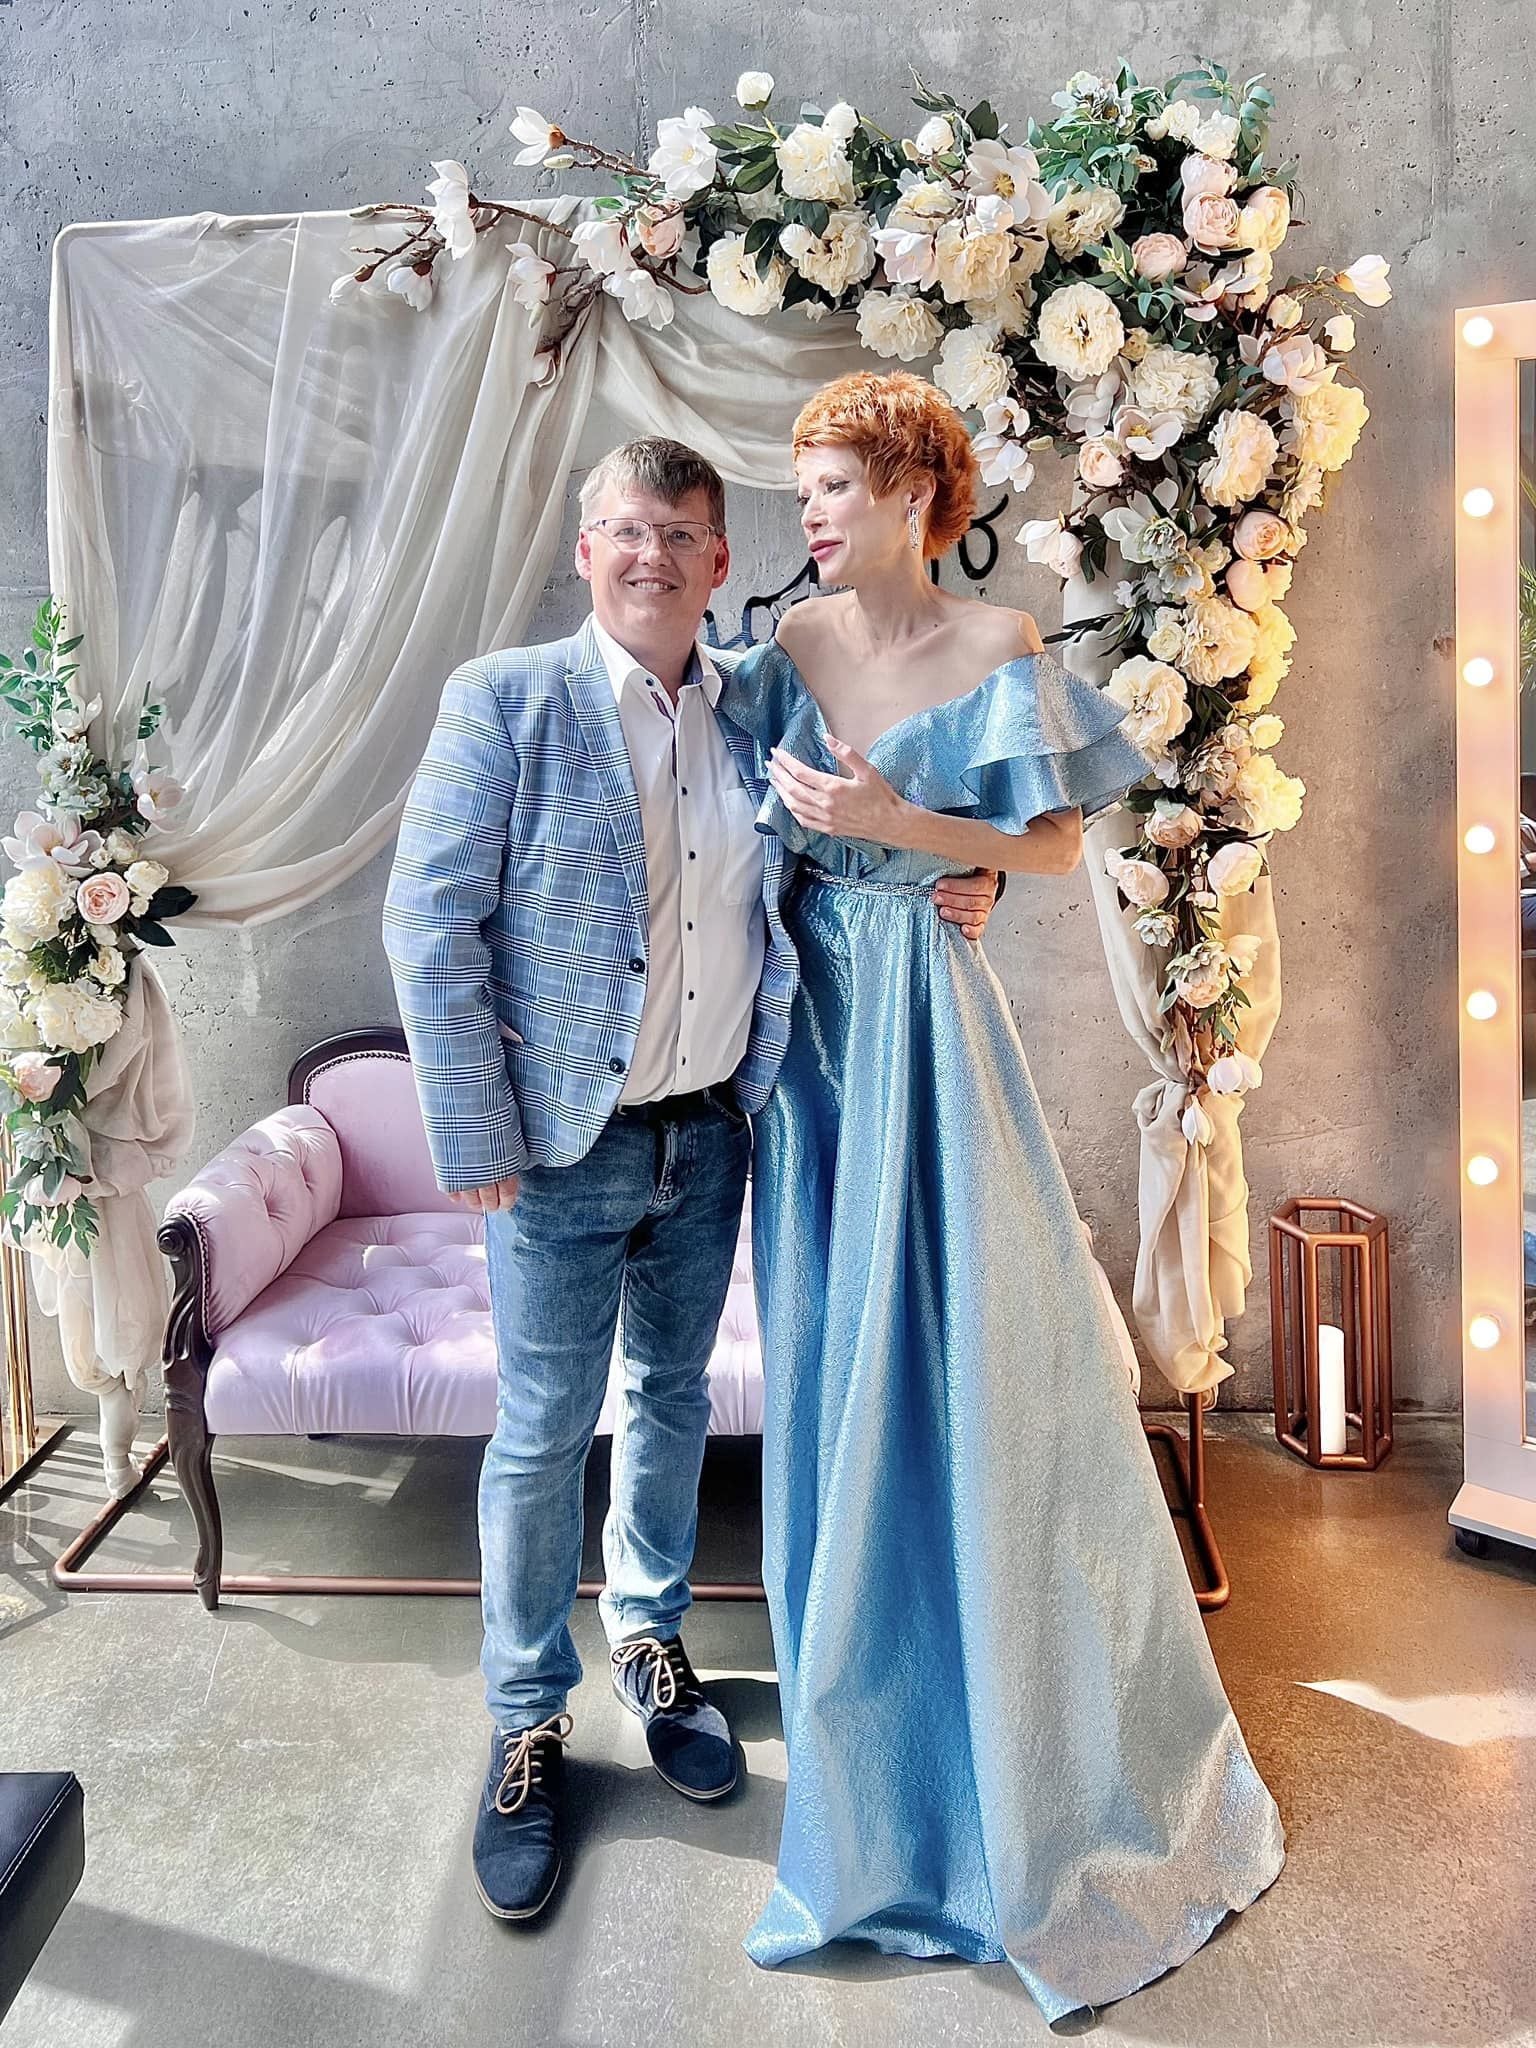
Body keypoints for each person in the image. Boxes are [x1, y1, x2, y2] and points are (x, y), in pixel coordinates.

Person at [716, 371, 1286, 2023]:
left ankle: (1034, 1750)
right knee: (839, 1364)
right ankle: (873, 1777)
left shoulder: (1002, 643)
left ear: (914, 490)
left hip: (930, 1015)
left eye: (834, 486)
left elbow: (1053, 848)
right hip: (811, 1038)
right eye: (805, 489)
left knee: (983, 1356)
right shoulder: (785, 649)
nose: (811, 514)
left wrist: (911, 826)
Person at [382, 436, 998, 1922]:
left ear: (722, 562)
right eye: (627, 530)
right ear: (586, 551)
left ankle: (652, 1641)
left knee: (669, 1402)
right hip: (560, 1150)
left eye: (681, 534)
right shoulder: (507, 699)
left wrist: (964, 872)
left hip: (713, 1128)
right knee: (542, 1432)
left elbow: (846, 853)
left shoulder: (756, 703)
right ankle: (526, 1719)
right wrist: (472, 1130)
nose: (651, 555)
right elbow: (428, 922)